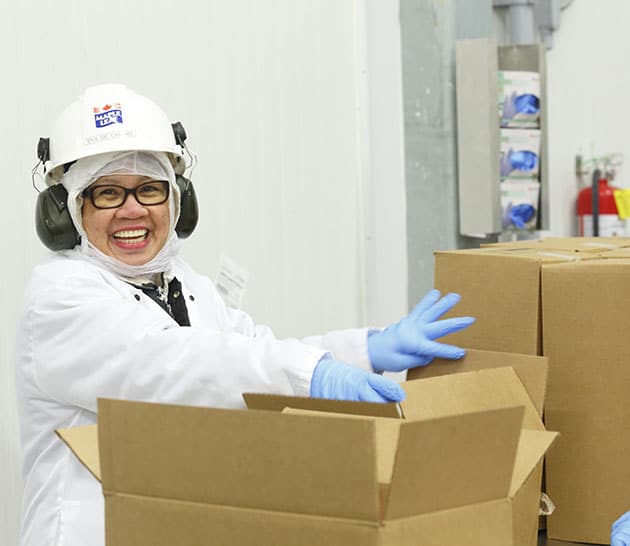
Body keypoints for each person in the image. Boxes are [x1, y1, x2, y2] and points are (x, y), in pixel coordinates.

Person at [14, 83, 474, 546]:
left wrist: (366, 350)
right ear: (65, 211)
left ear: (178, 202)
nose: (133, 210)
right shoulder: (59, 298)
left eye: (150, 190)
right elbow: (176, 366)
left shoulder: (189, 288)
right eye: (107, 193)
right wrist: (314, 375)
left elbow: (254, 355)